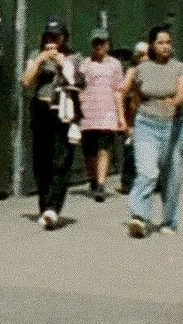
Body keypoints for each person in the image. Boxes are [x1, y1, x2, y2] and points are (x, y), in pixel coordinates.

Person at [125, 25, 183, 239]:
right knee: (148, 172)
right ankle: (139, 216)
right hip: (146, 125)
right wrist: (131, 122)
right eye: (160, 42)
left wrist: (175, 101)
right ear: (152, 45)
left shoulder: (180, 67)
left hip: (173, 127)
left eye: (168, 43)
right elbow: (133, 96)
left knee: (172, 177)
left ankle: (169, 221)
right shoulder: (142, 69)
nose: (165, 47)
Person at [20, 19, 80, 229]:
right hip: (40, 110)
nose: (51, 42)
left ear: (64, 38)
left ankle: (53, 207)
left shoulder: (74, 57)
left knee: (60, 159)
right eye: (48, 37)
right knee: (41, 160)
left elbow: (78, 82)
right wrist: (39, 61)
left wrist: (61, 62)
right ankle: (44, 206)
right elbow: (26, 82)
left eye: (56, 37)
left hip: (62, 112)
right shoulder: (36, 55)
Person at [76, 28, 128, 200]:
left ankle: (100, 185)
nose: (99, 46)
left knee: (104, 148)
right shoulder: (84, 65)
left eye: (102, 42)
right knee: (89, 152)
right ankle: (93, 178)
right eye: (96, 43)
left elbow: (118, 91)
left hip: (107, 114)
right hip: (88, 114)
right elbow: (79, 89)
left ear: (108, 44)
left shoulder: (115, 65)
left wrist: (121, 117)